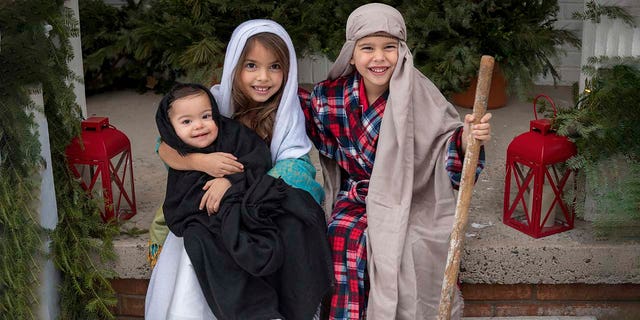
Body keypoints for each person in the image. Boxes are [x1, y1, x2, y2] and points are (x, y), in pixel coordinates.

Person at [299, 3, 492, 319]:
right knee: (343, 235)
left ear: (402, 51)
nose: (378, 57)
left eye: (389, 47)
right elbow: (299, 121)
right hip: (360, 196)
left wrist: (468, 140)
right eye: (367, 48)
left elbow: (448, 148)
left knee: (411, 247)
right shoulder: (330, 96)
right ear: (351, 54)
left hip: (411, 197)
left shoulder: (421, 95)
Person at [145, 20, 331, 320]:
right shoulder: (213, 102)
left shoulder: (288, 110)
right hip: (208, 203)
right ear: (234, 65)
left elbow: (295, 165)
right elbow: (164, 145)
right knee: (200, 240)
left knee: (293, 227)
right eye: (251, 65)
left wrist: (236, 183)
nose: (263, 77)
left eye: (274, 67)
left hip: (261, 196)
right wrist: (199, 162)